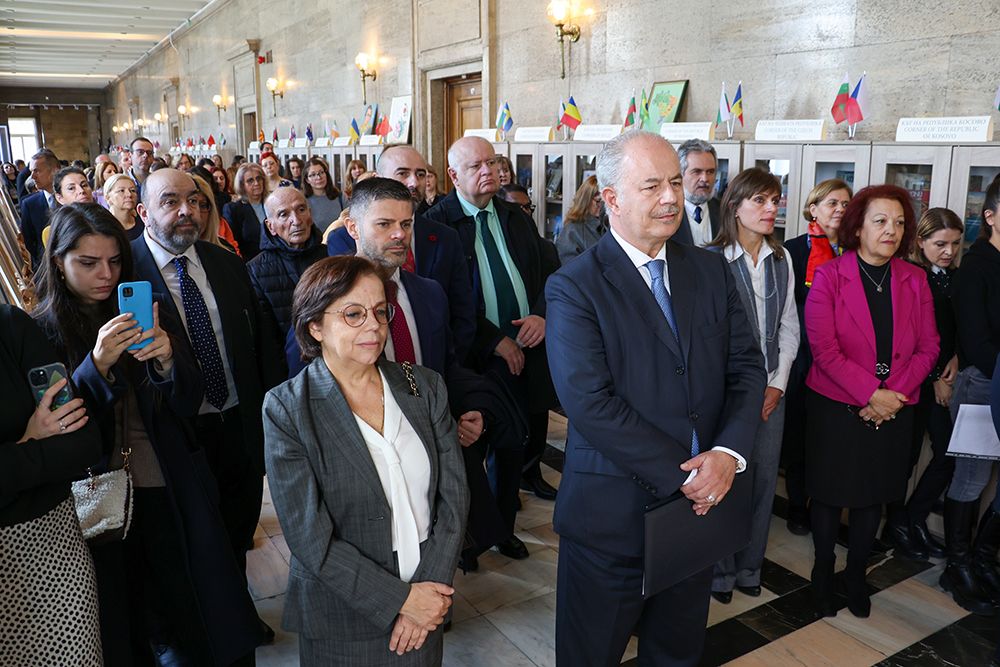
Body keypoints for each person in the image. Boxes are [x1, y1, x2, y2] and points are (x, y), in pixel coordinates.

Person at [545, 130, 765, 665]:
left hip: (696, 518)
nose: (671, 197)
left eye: (675, 182)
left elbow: (746, 368)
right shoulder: (575, 286)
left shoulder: (709, 270)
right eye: (651, 186)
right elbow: (591, 403)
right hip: (611, 520)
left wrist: (727, 454)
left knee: (677, 652)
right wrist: (690, 476)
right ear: (612, 198)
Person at [33, 203, 261, 664]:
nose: (106, 275)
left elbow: (190, 399)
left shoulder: (145, 307)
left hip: (167, 478)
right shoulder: (41, 330)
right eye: (88, 263)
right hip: (95, 495)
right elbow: (57, 425)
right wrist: (96, 366)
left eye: (115, 261)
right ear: (58, 262)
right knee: (122, 615)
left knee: (194, 605)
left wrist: (168, 360)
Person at [263, 255, 469, 665]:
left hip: (427, 598)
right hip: (342, 617)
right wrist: (402, 601)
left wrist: (428, 592)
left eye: (379, 311)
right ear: (315, 326)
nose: (373, 326)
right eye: (353, 314)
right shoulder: (287, 408)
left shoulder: (422, 386)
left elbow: (454, 496)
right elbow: (310, 538)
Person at [131, 169, 285, 634]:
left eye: (195, 201)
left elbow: (261, 345)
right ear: (143, 212)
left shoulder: (226, 263)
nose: (187, 211)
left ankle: (237, 614)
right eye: (170, 201)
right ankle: (200, 628)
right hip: (176, 432)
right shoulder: (126, 272)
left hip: (236, 423)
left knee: (237, 528)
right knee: (193, 538)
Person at [805, 184, 938, 618]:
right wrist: (871, 394)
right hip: (837, 406)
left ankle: (856, 575)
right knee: (830, 494)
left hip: (894, 407)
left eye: (899, 222)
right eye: (880, 221)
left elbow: (929, 347)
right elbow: (824, 350)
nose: (891, 230)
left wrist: (891, 398)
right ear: (857, 227)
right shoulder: (830, 275)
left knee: (872, 496)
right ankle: (823, 572)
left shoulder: (914, 279)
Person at [426, 136, 561, 560]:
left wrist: (540, 314)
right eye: (476, 166)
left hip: (526, 347)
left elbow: (549, 272)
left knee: (512, 444)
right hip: (471, 357)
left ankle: (503, 529)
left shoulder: (514, 216)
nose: (489, 172)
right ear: (453, 175)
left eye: (492, 163)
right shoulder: (437, 225)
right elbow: (443, 299)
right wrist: (494, 340)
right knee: (469, 448)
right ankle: (467, 540)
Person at [706, 168, 800, 604]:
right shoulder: (712, 260)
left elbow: (789, 326)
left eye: (775, 200)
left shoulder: (782, 258)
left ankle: (750, 566)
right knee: (727, 479)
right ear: (734, 206)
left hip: (771, 392)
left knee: (763, 481)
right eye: (759, 200)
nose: (770, 209)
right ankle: (720, 571)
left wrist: (777, 384)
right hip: (727, 393)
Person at [0, 304, 102, 666]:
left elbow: (83, 444)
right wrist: (31, 441)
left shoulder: (10, 326)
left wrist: (14, 458)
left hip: (53, 554)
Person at [329, 146, 476, 362]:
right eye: (384, 224)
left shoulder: (431, 291)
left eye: (406, 224)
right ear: (354, 229)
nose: (400, 234)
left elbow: (448, 354)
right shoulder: (328, 298)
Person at [881, 207, 964, 562]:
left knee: (946, 454)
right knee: (906, 456)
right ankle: (896, 525)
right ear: (920, 242)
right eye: (940, 244)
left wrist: (956, 356)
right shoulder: (911, 276)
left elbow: (959, 327)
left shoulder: (956, 276)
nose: (949, 251)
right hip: (915, 381)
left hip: (944, 377)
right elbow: (910, 337)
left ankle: (912, 519)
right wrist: (933, 381)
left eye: (955, 244)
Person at [941, 174, 1000, 615]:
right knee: (972, 478)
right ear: (991, 216)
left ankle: (982, 558)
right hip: (982, 384)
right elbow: (976, 343)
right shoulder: (975, 266)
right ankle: (956, 566)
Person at [781, 178, 852, 535]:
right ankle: (798, 504)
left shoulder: (855, 251)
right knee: (800, 433)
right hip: (803, 357)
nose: (840, 210)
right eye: (832, 203)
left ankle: (826, 504)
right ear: (813, 209)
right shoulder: (793, 250)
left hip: (844, 359)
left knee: (832, 436)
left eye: (845, 204)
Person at [248, 187, 326, 343]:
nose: (296, 221)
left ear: (310, 215)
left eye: (301, 210)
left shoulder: (330, 255)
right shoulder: (255, 270)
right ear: (270, 226)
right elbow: (265, 336)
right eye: (284, 214)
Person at [672, 139, 721, 247]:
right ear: (680, 174)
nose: (705, 179)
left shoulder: (724, 211)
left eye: (710, 172)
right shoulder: (667, 212)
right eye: (697, 172)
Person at [19, 148, 60, 270]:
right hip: (45, 268)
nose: (32, 176)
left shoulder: (72, 197)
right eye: (31, 172)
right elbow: (29, 242)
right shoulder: (29, 204)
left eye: (36, 171)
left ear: (54, 171)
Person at [223, 162, 270, 261]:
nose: (256, 183)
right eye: (250, 181)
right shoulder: (233, 209)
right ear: (242, 185)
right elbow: (232, 244)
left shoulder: (272, 204)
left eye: (259, 178)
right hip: (249, 262)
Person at [555, 175, 605, 264]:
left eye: (605, 202)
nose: (602, 206)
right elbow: (569, 268)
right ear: (585, 201)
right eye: (598, 201)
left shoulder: (610, 225)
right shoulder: (572, 231)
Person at [191, 172, 242, 256]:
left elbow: (235, 250)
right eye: (192, 202)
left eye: (203, 206)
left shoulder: (221, 224)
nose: (197, 213)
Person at [303, 157, 345, 232]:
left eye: (321, 172)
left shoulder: (340, 197)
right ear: (307, 180)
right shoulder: (303, 201)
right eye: (313, 175)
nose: (319, 177)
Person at [103, 173, 144, 240]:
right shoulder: (104, 228)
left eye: (133, 190)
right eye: (121, 190)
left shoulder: (143, 220)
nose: (129, 194)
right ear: (108, 198)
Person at [128, 137, 155, 201]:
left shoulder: (157, 181)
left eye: (149, 153)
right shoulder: (122, 183)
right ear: (130, 156)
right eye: (140, 152)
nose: (145, 156)